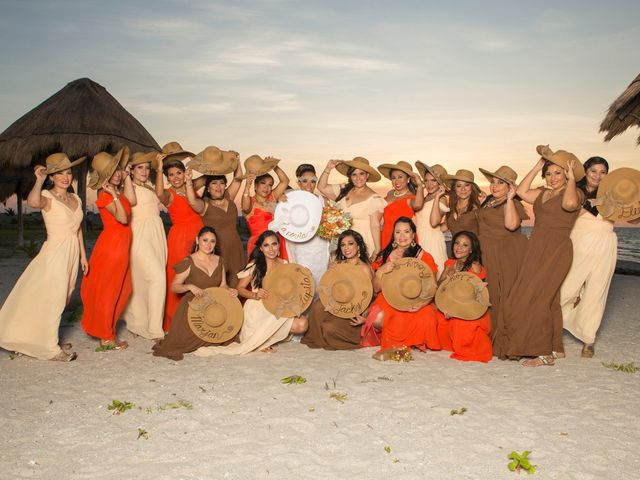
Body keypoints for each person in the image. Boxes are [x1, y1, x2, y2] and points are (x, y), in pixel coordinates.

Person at [494, 146, 584, 366]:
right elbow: (522, 192)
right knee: (550, 299)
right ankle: (556, 347)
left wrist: (571, 180)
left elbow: (569, 204)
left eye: (558, 173)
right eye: (549, 173)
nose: (552, 178)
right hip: (535, 246)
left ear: (567, 174)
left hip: (556, 248)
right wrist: (538, 165)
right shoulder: (543, 193)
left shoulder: (574, 192)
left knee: (539, 298)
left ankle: (542, 353)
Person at [0, 154, 87, 361]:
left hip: (73, 252)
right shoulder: (47, 196)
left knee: (64, 296)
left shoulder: (76, 198)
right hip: (55, 252)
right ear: (51, 177)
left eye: (68, 172)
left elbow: (78, 230)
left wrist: (83, 255)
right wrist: (39, 180)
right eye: (59, 173)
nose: (65, 177)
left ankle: (45, 337)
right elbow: (32, 201)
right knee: (55, 297)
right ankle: (50, 349)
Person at [194, 230, 308, 356]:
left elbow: (293, 287)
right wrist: (255, 294)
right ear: (261, 248)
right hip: (258, 306)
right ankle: (262, 340)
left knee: (302, 324)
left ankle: (265, 337)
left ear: (279, 246)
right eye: (266, 245)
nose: (271, 249)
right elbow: (240, 288)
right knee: (268, 322)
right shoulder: (255, 265)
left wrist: (303, 275)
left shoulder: (285, 264)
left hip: (278, 306)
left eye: (274, 244)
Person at [152, 227, 238, 361]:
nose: (208, 245)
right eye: (205, 240)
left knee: (228, 336)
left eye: (212, 241)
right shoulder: (189, 262)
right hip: (193, 307)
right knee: (182, 344)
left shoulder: (219, 261)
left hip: (214, 305)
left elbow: (222, 285)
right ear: (198, 240)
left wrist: (230, 290)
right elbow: (174, 287)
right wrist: (189, 286)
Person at [560, 157, 617, 358]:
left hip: (606, 245)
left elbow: (633, 217)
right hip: (580, 243)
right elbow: (567, 216)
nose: (597, 176)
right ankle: (551, 326)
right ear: (585, 171)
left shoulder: (613, 193)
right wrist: (591, 204)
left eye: (603, 172)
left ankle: (588, 338)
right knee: (567, 287)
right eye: (593, 171)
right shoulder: (577, 190)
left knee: (597, 291)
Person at [81, 148, 137, 349]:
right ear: (104, 177)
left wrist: (127, 176)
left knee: (124, 288)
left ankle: (108, 329)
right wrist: (113, 195)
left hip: (121, 245)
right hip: (113, 246)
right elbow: (123, 218)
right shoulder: (105, 194)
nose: (116, 175)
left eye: (118, 170)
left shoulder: (118, 193)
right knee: (110, 291)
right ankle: (106, 335)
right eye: (112, 172)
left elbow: (132, 201)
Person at [361, 216, 440, 354]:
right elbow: (375, 288)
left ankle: (409, 338)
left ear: (413, 234)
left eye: (406, 231)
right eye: (398, 232)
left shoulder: (424, 256)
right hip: (388, 298)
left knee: (427, 318)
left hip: (415, 300)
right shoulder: (385, 254)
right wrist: (381, 271)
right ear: (393, 234)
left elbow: (431, 287)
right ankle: (398, 336)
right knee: (377, 318)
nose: (402, 236)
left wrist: (422, 304)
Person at [475, 166, 529, 340]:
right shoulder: (491, 200)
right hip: (486, 250)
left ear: (510, 187)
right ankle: (489, 332)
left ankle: (502, 337)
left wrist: (511, 199)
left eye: (500, 183)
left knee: (500, 294)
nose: (494, 186)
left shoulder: (510, 203)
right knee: (489, 293)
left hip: (502, 253)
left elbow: (512, 225)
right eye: (493, 182)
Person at [154, 151, 204, 331]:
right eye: (171, 175)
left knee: (199, 275)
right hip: (180, 238)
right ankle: (175, 320)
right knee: (179, 277)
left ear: (185, 173)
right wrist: (159, 169)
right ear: (167, 178)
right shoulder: (168, 194)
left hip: (199, 235)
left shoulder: (192, 185)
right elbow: (158, 192)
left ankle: (198, 318)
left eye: (178, 173)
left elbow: (209, 175)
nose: (175, 178)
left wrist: (199, 163)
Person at [122, 151, 167, 340]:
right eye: (140, 167)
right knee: (157, 278)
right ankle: (156, 330)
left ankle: (139, 322)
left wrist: (160, 169)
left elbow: (161, 195)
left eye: (147, 168)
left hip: (156, 233)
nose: (145, 171)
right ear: (131, 170)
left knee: (143, 280)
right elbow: (131, 201)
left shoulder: (149, 187)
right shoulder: (128, 186)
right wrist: (126, 177)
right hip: (140, 234)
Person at [301, 229, 373, 350]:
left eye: (350, 244)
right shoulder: (338, 264)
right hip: (337, 304)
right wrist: (330, 272)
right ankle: (318, 337)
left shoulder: (364, 269)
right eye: (343, 245)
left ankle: (346, 335)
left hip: (353, 310)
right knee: (318, 306)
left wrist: (365, 317)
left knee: (329, 329)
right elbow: (327, 290)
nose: (346, 248)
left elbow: (369, 298)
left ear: (358, 246)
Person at [185, 153, 246, 288]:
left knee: (239, 285)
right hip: (218, 251)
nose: (218, 187)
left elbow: (238, 179)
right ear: (208, 188)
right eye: (214, 183)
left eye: (222, 183)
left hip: (236, 248)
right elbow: (192, 201)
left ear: (225, 186)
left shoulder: (229, 197)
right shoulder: (204, 205)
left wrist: (237, 161)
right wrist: (189, 182)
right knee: (221, 288)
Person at [436, 231, 492, 363]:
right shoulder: (449, 263)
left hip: (471, 307)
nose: (459, 248)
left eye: (465, 245)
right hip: (452, 303)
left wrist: (455, 310)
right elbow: (439, 288)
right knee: (438, 317)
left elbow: (475, 294)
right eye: (457, 243)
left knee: (459, 323)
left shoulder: (475, 266)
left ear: (471, 250)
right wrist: (446, 276)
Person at [317, 157, 386, 260]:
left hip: (363, 243)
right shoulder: (344, 189)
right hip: (343, 244)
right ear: (350, 176)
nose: (358, 178)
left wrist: (377, 249)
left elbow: (375, 225)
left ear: (367, 176)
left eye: (361, 174)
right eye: (354, 174)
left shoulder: (374, 198)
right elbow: (321, 187)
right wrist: (328, 168)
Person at [284, 164, 331, 288]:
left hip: (320, 246)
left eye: (313, 181)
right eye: (305, 181)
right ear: (299, 182)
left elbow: (331, 225)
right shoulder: (290, 200)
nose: (309, 185)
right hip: (299, 247)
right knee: (303, 283)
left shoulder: (323, 200)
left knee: (320, 281)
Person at [240, 157, 289, 257]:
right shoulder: (250, 202)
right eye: (263, 183)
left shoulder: (273, 197)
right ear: (255, 186)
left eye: (270, 184)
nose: (266, 187)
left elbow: (285, 181)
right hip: (258, 244)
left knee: (280, 271)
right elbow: (245, 207)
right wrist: (246, 187)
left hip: (277, 242)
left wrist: (274, 166)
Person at [378, 161, 425, 248]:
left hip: (402, 239)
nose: (396, 181)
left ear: (407, 179)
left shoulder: (410, 197)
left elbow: (418, 205)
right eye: (393, 178)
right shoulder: (389, 194)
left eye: (400, 177)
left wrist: (419, 185)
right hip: (385, 235)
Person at [414, 162, 449, 275]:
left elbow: (434, 223)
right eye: (426, 180)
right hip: (419, 239)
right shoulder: (424, 198)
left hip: (432, 242)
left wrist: (438, 197)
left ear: (440, 183)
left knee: (433, 277)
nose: (429, 184)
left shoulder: (442, 199)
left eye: (433, 180)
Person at [431, 169, 481, 237]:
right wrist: (437, 197)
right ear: (454, 188)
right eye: (459, 186)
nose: (463, 189)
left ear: (472, 187)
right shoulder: (451, 208)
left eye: (467, 185)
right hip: (454, 247)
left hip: (473, 247)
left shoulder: (477, 208)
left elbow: (485, 233)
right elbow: (440, 228)